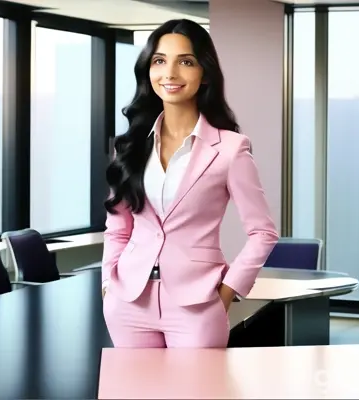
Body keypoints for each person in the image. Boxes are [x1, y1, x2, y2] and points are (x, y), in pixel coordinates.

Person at [101, 19, 278, 349]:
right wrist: (107, 282)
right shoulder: (129, 145)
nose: (170, 73)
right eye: (159, 61)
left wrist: (228, 291)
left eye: (185, 61)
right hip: (128, 301)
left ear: (205, 72)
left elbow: (263, 232)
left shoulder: (230, 148)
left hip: (196, 304)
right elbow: (118, 227)